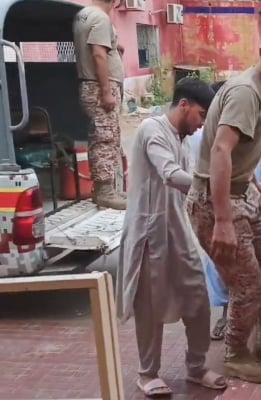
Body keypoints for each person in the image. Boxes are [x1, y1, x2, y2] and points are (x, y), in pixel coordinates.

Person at [185, 22, 261, 384]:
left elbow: (242, 148)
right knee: (248, 284)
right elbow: (221, 150)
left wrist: (254, 180)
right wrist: (222, 221)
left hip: (245, 193)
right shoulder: (245, 92)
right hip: (216, 202)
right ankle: (237, 353)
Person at [116, 77, 226, 397]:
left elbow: (188, 185)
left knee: (197, 298)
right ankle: (147, 373)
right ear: (183, 105)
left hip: (178, 229)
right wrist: (214, 189)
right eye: (201, 114)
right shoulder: (152, 130)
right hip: (149, 233)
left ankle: (196, 366)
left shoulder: (183, 139)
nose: (202, 122)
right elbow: (170, 174)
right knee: (150, 307)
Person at [73, 0, 127, 209]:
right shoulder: (100, 18)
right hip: (99, 87)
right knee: (105, 138)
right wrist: (106, 92)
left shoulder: (83, 14)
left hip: (91, 85)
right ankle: (105, 191)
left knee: (104, 136)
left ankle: (106, 190)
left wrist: (115, 47)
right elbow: (98, 53)